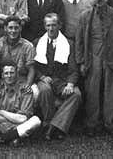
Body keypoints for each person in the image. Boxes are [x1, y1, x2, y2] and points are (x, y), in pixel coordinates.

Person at [75, 0, 113, 136]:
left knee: (112, 92)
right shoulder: (85, 16)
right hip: (93, 59)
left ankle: (109, 123)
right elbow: (79, 41)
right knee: (92, 92)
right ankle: (92, 124)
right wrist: (81, 62)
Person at [34, 13, 82, 141]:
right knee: (44, 90)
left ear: (59, 26)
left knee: (76, 94)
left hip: (62, 81)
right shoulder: (38, 42)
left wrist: (70, 84)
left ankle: (54, 127)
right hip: (45, 79)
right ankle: (48, 122)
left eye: (54, 25)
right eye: (48, 25)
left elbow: (73, 69)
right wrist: (42, 77)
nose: (51, 28)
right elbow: (34, 67)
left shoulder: (69, 43)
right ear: (45, 26)